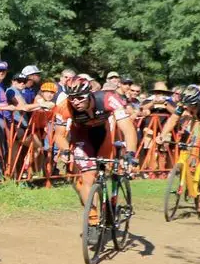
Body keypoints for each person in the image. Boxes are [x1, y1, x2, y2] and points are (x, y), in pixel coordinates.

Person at [52, 78, 139, 244]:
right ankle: (92, 221)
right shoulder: (64, 106)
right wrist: (65, 150)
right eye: (72, 97)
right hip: (81, 137)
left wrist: (131, 153)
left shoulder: (108, 99)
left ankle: (112, 202)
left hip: (103, 134)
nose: (75, 102)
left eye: (80, 97)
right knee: (88, 176)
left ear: (89, 93)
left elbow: (127, 128)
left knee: (108, 167)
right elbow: (59, 134)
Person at [155, 85, 200, 214]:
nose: (184, 108)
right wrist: (162, 135)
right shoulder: (184, 105)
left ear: (195, 104)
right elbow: (173, 120)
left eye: (187, 105)